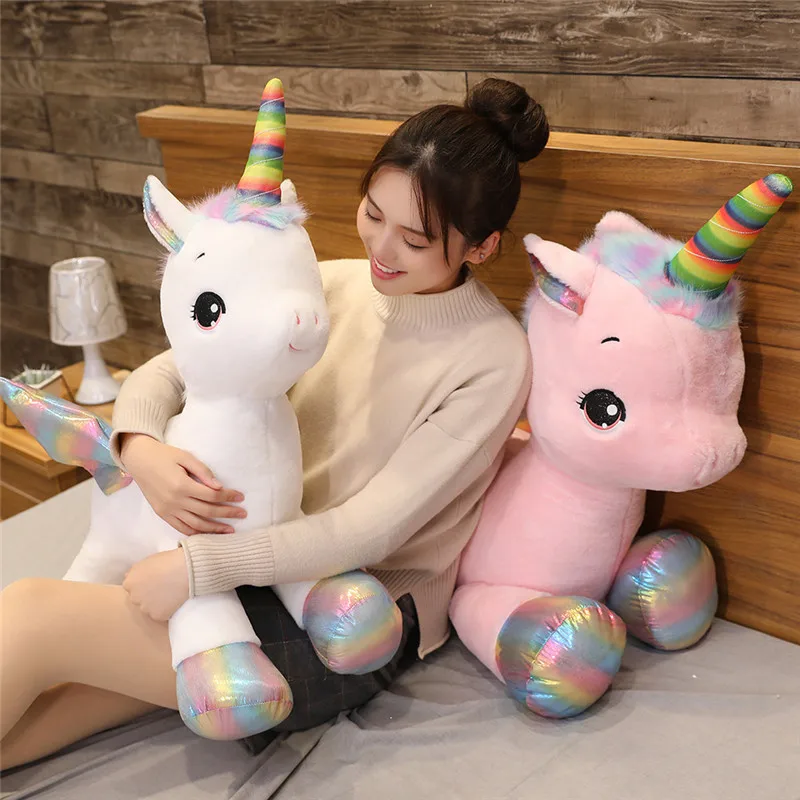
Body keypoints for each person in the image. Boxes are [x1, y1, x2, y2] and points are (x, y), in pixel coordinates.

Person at [0, 78, 548, 768]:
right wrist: (139, 446)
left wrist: (197, 568)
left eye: (414, 239)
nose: (382, 249)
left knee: (31, 615)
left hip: (345, 615)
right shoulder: (332, 282)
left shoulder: (494, 357)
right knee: (38, 708)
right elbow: (172, 369)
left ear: (482, 247)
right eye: (372, 213)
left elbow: (370, 530)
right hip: (245, 564)